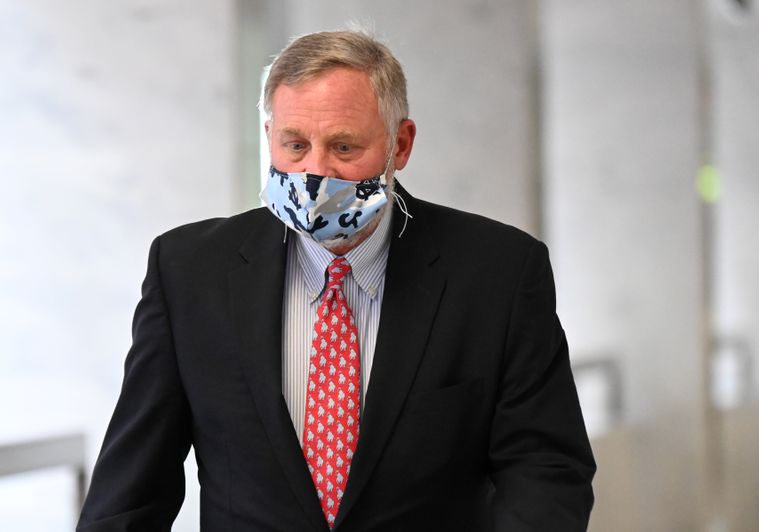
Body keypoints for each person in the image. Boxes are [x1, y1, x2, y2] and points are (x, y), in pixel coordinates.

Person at [77, 30, 595, 532]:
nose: (315, 173)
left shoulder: (498, 272)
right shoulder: (189, 272)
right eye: (295, 145)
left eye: (344, 148)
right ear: (268, 138)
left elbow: (545, 469)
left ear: (401, 144)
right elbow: (131, 489)